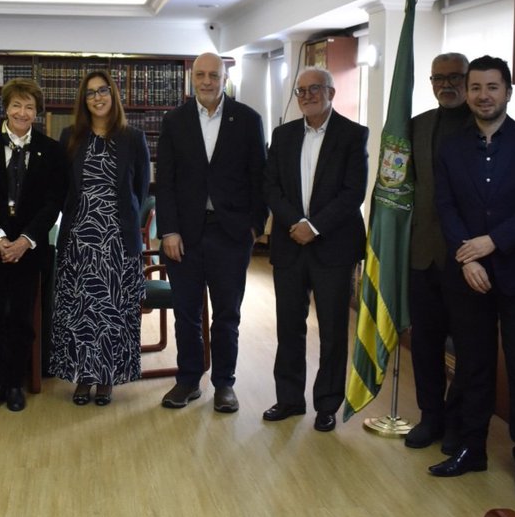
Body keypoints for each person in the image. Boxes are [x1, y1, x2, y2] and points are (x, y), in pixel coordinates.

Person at [429, 56, 515, 504]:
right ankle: (472, 448)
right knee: (473, 366)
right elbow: (446, 206)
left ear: (508, 92)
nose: (483, 96)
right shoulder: (450, 146)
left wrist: (492, 242)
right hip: (468, 275)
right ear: (468, 92)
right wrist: (467, 256)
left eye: (492, 87)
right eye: (476, 87)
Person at [156, 52, 267, 413]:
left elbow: (260, 177)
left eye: (213, 75)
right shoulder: (174, 120)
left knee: (227, 316)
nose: (207, 81)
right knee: (186, 313)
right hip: (183, 235)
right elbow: (165, 181)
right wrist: (168, 230)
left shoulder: (247, 119)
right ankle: (188, 380)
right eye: (201, 75)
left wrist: (254, 226)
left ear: (224, 78)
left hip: (230, 233)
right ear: (192, 78)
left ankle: (224, 384)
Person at [262, 67, 369, 432]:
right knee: (289, 327)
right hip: (290, 243)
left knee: (333, 331)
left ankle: (327, 404)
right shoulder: (283, 135)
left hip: (333, 247)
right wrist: (296, 222)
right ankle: (289, 399)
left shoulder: (353, 135)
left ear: (331, 92)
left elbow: (354, 192)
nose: (306, 96)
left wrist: (315, 226)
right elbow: (270, 186)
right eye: (301, 90)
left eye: (314, 89)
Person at [0, 77, 68, 412]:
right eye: (16, 105)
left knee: (22, 320)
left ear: (37, 112)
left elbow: (53, 203)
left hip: (29, 250)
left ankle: (14, 384)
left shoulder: (51, 150)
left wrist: (25, 240)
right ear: (6, 107)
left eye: (29, 107)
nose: (22, 113)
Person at [51, 70, 150, 406]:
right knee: (81, 312)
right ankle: (84, 377)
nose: (97, 97)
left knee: (112, 312)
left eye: (103, 90)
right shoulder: (70, 137)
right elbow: (63, 188)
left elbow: (140, 190)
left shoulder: (133, 138)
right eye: (90, 93)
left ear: (113, 94)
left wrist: (116, 220)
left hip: (118, 240)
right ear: (84, 100)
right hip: (79, 239)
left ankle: (107, 378)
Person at [405, 53, 472, 451]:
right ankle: (430, 416)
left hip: (468, 259)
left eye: (455, 77)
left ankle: (457, 419)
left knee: (468, 348)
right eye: (438, 78)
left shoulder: (482, 123)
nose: (446, 85)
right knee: (425, 344)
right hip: (422, 255)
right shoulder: (416, 126)